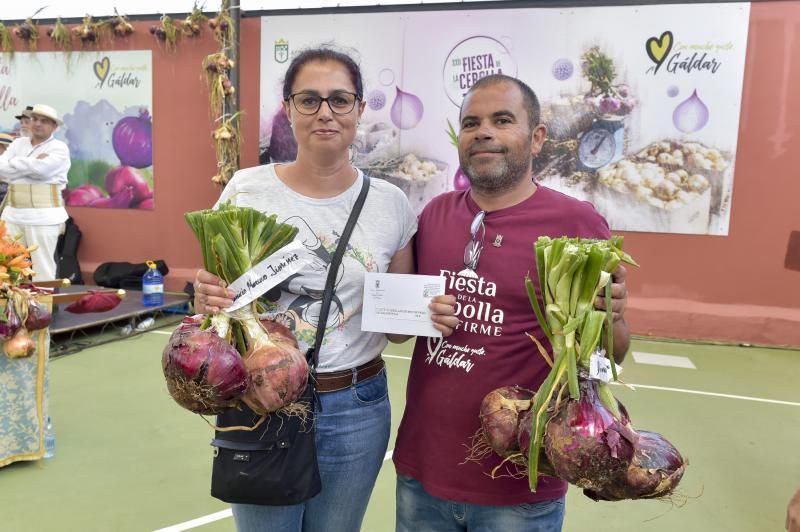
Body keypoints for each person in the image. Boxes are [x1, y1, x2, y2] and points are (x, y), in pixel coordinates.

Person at [193, 47, 458, 532]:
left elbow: (396, 330)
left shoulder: (391, 204)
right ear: (288, 109)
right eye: (309, 100)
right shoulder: (245, 189)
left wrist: (427, 315)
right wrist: (205, 295)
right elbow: (217, 305)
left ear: (359, 109)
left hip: (354, 407)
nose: (325, 113)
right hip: (260, 399)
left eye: (340, 99)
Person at [393, 74, 631, 531]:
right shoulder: (434, 214)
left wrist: (612, 316)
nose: (483, 132)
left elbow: (610, 358)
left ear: (537, 137)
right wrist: (412, 311)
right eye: (471, 122)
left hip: (520, 482)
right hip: (422, 471)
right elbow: (399, 327)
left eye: (502, 120)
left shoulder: (576, 223)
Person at [0, 104, 70, 281]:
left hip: (43, 217)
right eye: (35, 119)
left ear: (54, 126)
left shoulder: (59, 148)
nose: (38, 124)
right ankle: (11, 308)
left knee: (42, 269)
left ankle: (42, 308)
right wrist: (32, 162)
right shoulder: (18, 143)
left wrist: (14, 163)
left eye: (44, 121)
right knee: (7, 267)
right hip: (12, 216)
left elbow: (42, 170)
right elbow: (1, 168)